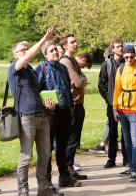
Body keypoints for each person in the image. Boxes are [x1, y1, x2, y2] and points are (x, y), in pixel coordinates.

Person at [8, 26, 59, 196]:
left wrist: (47, 103)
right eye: (22, 50)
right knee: (26, 156)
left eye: (26, 49)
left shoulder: (31, 70)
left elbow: (35, 94)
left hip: (41, 116)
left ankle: (43, 188)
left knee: (45, 154)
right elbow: (30, 55)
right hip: (26, 118)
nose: (25, 52)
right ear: (15, 55)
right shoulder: (14, 68)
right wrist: (45, 38)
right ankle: (23, 190)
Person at [36, 40, 81, 190]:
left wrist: (71, 104)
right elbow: (35, 92)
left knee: (63, 147)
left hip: (65, 111)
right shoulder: (41, 68)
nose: (55, 52)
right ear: (45, 54)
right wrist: (44, 102)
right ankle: (47, 181)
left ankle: (64, 178)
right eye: (51, 51)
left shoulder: (62, 67)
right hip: (49, 114)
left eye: (55, 49)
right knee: (47, 148)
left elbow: (67, 87)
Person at [112, 45, 136, 182]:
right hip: (122, 110)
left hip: (135, 110)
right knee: (126, 141)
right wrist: (115, 108)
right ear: (123, 56)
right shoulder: (121, 68)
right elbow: (117, 89)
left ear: (135, 55)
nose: (129, 59)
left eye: (131, 57)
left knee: (135, 141)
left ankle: (134, 169)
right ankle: (130, 166)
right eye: (126, 57)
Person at [59, 34, 91, 180]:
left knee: (74, 139)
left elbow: (80, 80)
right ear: (65, 45)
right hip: (72, 106)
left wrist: (81, 79)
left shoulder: (73, 60)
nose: (76, 44)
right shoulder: (66, 61)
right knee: (70, 139)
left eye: (76, 41)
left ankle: (70, 168)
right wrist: (83, 80)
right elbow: (78, 82)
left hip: (79, 104)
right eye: (72, 42)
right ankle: (67, 171)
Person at [98, 38, 128, 168]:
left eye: (121, 46)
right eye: (117, 46)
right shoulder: (107, 65)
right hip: (112, 105)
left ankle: (127, 158)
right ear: (113, 49)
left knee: (126, 132)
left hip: (126, 103)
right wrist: (109, 99)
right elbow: (101, 84)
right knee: (112, 132)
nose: (120, 48)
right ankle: (111, 159)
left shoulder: (127, 63)